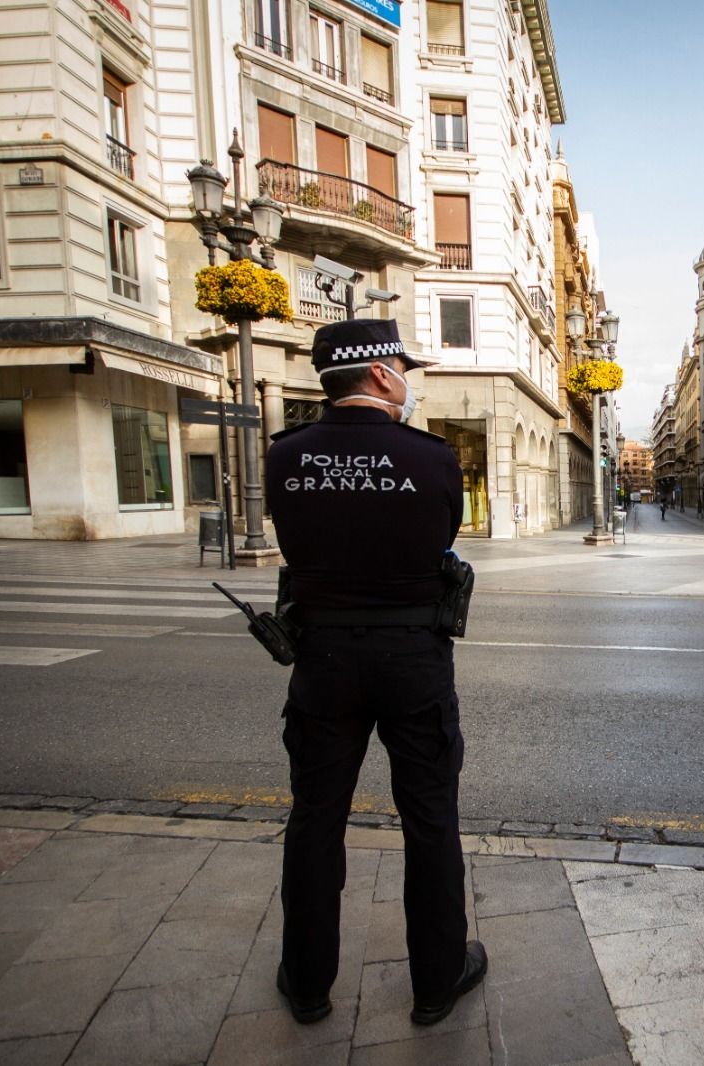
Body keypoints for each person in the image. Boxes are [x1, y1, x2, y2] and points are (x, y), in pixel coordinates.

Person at [265, 317, 486, 1028]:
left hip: (322, 659)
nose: (408, 381)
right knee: (429, 818)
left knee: (315, 820)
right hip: (412, 659)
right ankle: (435, 981)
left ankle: (306, 984)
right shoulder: (431, 459)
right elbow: (441, 535)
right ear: (382, 375)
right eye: (404, 369)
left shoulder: (286, 456)